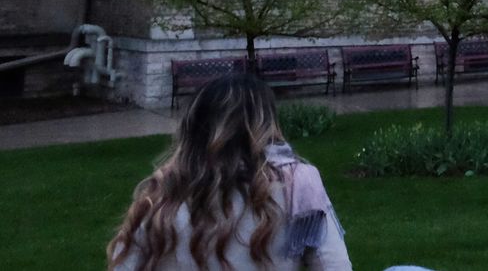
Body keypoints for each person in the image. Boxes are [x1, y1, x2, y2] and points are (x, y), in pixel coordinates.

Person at [107, 73, 353, 271]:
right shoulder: (297, 184)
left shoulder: (162, 192)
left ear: (194, 128)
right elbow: (334, 264)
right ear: (266, 123)